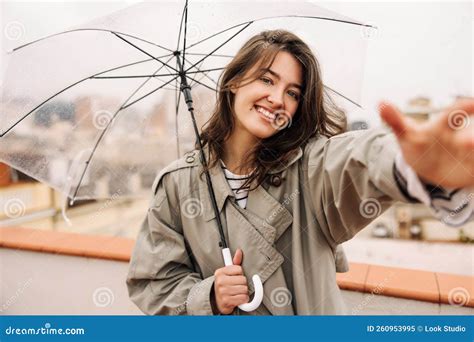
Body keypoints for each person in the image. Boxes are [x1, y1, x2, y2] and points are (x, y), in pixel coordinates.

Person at [126, 30, 474, 315]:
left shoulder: (310, 168)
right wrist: (210, 296)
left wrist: (414, 164)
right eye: (267, 79)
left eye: (292, 93)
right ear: (233, 81)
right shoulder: (177, 184)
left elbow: (359, 159)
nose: (278, 98)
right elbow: (153, 283)